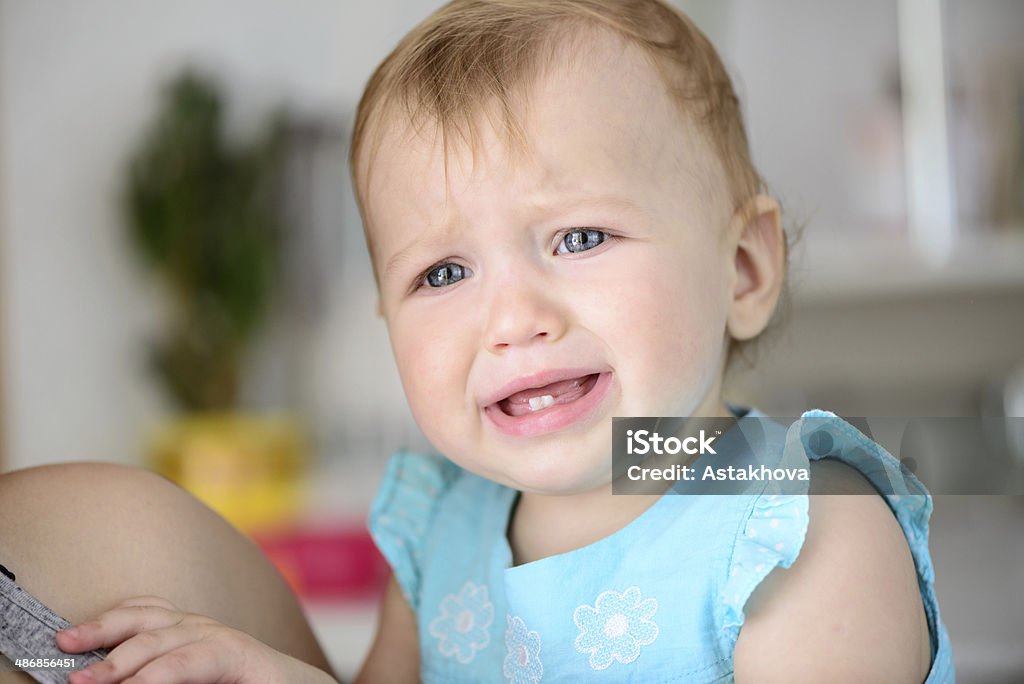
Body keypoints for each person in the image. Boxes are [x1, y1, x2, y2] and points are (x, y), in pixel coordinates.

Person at [0, 0, 953, 682]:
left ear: (743, 269)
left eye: (578, 238)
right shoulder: (439, 528)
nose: (511, 319)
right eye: (442, 275)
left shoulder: (803, 525)